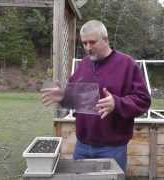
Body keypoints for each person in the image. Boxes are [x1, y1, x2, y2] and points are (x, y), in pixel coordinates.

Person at [42, 20, 151, 172]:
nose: (88, 48)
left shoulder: (127, 64)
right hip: (82, 145)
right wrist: (64, 97)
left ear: (106, 40)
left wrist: (116, 103)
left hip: (112, 148)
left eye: (92, 42)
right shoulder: (84, 65)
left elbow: (143, 100)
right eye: (84, 43)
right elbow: (77, 100)